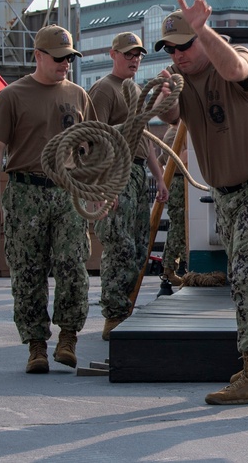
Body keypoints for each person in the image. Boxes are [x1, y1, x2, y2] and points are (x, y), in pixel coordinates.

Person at [155, 0, 248, 405]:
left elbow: (235, 68)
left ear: (202, 39)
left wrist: (202, 27)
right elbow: (166, 114)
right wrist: (165, 89)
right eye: (171, 49)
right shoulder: (178, 79)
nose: (178, 54)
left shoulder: (236, 58)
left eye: (185, 45)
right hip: (229, 196)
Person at [0, 25, 95, 373]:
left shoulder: (78, 95)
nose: (64, 64)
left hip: (67, 191)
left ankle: (68, 337)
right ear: (39, 56)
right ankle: (36, 346)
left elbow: (89, 150)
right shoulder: (12, 96)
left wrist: (96, 192)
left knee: (73, 265)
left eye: (69, 58)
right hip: (25, 191)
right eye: (58, 58)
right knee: (27, 272)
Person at [90, 32, 168, 340]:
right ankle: (113, 316)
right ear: (113, 55)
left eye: (138, 55)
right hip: (114, 172)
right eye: (128, 54)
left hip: (136, 174)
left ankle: (125, 311)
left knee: (137, 248)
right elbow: (93, 138)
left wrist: (159, 178)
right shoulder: (103, 90)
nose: (134, 59)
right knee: (118, 246)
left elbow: (146, 141)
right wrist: (101, 188)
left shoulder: (135, 91)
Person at [160, 118, 189, 285]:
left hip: (178, 181)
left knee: (179, 226)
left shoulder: (174, 133)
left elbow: (160, 160)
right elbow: (180, 158)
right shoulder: (175, 134)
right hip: (179, 182)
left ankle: (170, 268)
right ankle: (169, 268)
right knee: (179, 227)